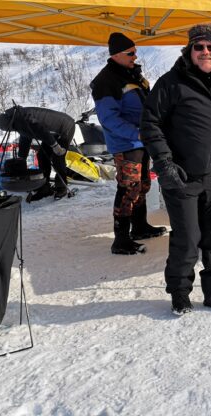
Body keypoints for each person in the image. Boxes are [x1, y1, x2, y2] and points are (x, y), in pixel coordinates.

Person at [140, 24, 211, 317]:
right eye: (199, 46)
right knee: (188, 239)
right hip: (182, 177)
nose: (205, 52)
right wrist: (165, 165)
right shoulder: (171, 83)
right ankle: (179, 292)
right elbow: (150, 125)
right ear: (189, 50)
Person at [91, 32, 166, 256]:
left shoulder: (132, 74)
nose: (135, 56)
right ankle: (121, 239)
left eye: (135, 52)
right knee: (128, 188)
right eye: (130, 53)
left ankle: (140, 227)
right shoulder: (106, 81)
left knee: (142, 185)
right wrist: (136, 133)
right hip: (125, 143)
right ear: (116, 55)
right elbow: (109, 118)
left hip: (140, 140)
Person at [0, 105, 74, 201]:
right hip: (50, 132)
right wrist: (22, 158)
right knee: (41, 156)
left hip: (64, 128)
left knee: (57, 157)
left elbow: (41, 131)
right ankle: (45, 188)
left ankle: (61, 187)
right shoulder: (18, 118)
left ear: (8, 124)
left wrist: (55, 146)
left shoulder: (24, 118)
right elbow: (25, 137)